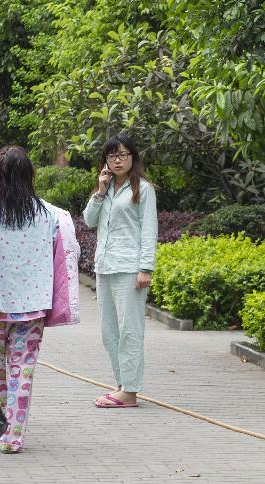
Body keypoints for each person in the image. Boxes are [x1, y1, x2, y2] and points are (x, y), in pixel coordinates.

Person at [0, 146, 79, 453]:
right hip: (34, 306)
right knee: (23, 370)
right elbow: (70, 251)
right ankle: (14, 437)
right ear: (30, 175)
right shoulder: (52, 215)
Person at [83, 134, 157, 409]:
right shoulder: (105, 188)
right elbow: (89, 221)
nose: (117, 160)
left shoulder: (144, 189)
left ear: (132, 158)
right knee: (109, 331)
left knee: (130, 331)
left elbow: (149, 230)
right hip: (105, 266)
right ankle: (122, 384)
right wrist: (100, 191)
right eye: (112, 155)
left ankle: (130, 391)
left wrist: (145, 268)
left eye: (123, 155)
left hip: (130, 268)